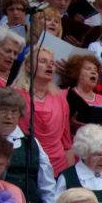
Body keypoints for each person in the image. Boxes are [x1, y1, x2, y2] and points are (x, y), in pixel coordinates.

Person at [0, 87, 56, 203]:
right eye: (3, 110)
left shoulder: (31, 143)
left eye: (14, 111)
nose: (9, 116)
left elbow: (47, 185)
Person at [14, 46, 73, 175]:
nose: (49, 65)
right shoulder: (15, 96)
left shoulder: (60, 99)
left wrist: (71, 176)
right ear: (28, 67)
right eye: (43, 61)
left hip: (58, 165)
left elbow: (66, 143)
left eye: (52, 63)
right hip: (25, 163)